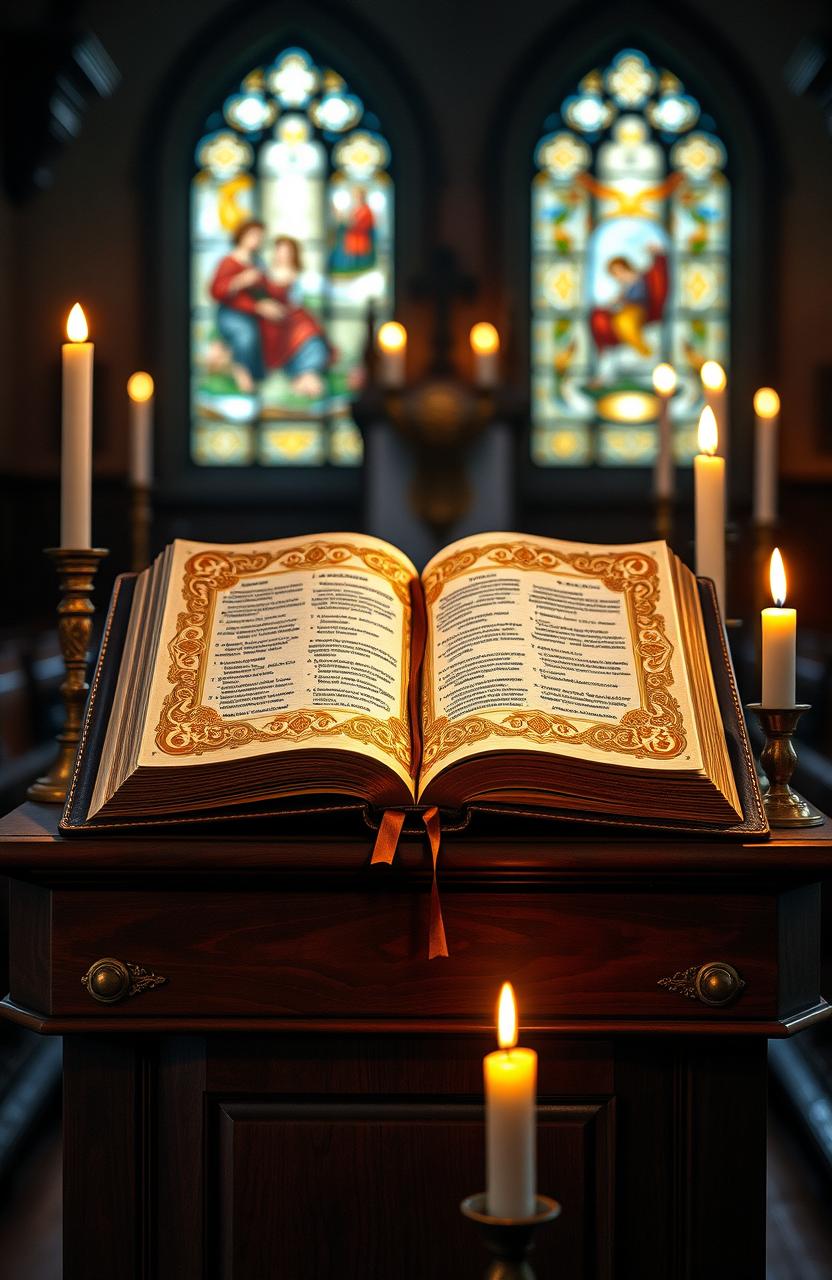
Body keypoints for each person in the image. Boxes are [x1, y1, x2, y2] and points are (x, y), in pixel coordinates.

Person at [261, 236, 330, 399]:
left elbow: (304, 298)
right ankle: (300, 377)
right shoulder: (265, 275)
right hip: (273, 321)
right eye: (280, 251)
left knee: (310, 334)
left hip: (296, 317)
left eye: (287, 252)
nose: (283, 255)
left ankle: (307, 374)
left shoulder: (300, 276)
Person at [208, 219, 272, 393]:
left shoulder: (258, 263)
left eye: (260, 236)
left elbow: (263, 291)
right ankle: (241, 371)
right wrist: (240, 281)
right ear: (242, 236)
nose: (257, 240)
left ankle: (257, 375)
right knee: (246, 334)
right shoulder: (229, 261)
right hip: (232, 314)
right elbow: (216, 291)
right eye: (253, 235)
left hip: (253, 314)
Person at [590, 247, 668, 358]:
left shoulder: (636, 277)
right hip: (627, 310)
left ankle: (646, 353)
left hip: (637, 309)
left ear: (625, 267)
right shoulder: (624, 284)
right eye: (614, 273)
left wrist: (623, 300)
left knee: (625, 323)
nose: (617, 275)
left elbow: (639, 295)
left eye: (618, 271)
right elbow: (619, 298)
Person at [329, 186, 376, 276]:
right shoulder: (355, 210)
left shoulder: (366, 210)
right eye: (355, 196)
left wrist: (342, 218)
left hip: (360, 243)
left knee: (360, 270)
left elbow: (355, 224)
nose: (356, 199)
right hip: (352, 242)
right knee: (351, 269)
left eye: (358, 196)